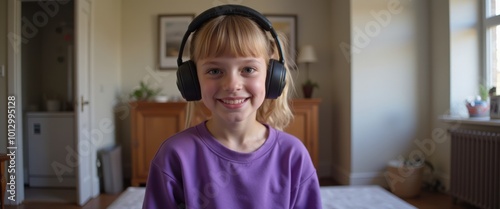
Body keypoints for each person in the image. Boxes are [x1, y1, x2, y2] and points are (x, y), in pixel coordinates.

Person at [143, 4, 322, 209]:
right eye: (215, 71)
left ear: (272, 77)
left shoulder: (293, 155)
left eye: (248, 69)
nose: (232, 85)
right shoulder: (174, 155)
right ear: (192, 80)